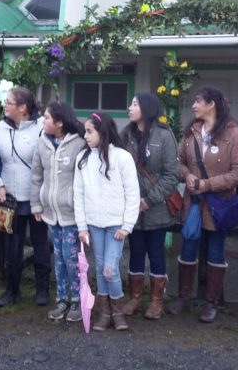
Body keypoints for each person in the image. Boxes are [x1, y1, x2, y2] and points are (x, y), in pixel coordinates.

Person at [167, 86, 238, 323]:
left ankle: (211, 303)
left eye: (198, 101)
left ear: (211, 104)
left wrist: (208, 184)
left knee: (215, 252)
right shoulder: (191, 132)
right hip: (193, 204)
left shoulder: (235, 134)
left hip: (219, 206)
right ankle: (183, 297)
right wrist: (187, 176)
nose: (194, 106)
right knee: (187, 250)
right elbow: (179, 163)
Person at [75, 112, 140, 331]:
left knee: (110, 269)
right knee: (101, 267)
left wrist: (127, 226)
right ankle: (105, 313)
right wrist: (82, 226)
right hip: (94, 224)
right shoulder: (83, 159)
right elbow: (78, 194)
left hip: (116, 225)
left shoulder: (122, 157)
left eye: (89, 131)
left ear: (102, 132)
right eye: (85, 131)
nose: (85, 136)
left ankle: (118, 312)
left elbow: (132, 194)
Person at [0, 87, 51, 307]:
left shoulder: (41, 127)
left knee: (40, 243)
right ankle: (12, 290)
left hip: (36, 199)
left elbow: (49, 161)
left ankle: (42, 289)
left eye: (9, 102)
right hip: (9, 200)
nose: (5, 105)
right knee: (12, 247)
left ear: (23, 107)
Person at [120, 93, 179, 320]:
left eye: (135, 104)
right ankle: (135, 298)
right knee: (135, 252)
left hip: (157, 208)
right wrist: (131, 200)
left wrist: (148, 200)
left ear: (147, 108)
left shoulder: (164, 136)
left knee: (156, 253)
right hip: (132, 209)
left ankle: (156, 301)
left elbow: (171, 175)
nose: (130, 107)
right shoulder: (125, 136)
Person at [30, 101, 86, 322]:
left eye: (47, 117)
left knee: (72, 258)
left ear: (60, 122)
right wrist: (36, 204)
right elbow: (36, 175)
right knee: (60, 258)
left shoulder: (79, 144)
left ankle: (78, 300)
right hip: (51, 213)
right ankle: (62, 299)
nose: (43, 121)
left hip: (71, 214)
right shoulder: (42, 142)